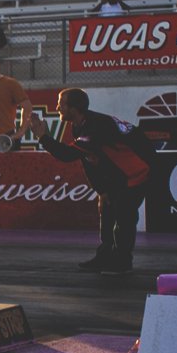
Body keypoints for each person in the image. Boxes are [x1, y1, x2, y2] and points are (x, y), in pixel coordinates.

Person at [33, 89, 154, 274]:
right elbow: (88, 160)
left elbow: (67, 155)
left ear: (74, 108)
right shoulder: (80, 124)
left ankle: (122, 261)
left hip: (138, 171)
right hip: (118, 172)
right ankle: (105, 256)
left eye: (61, 103)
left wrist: (43, 137)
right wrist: (101, 190)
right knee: (107, 209)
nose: (57, 107)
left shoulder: (95, 127)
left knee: (124, 215)